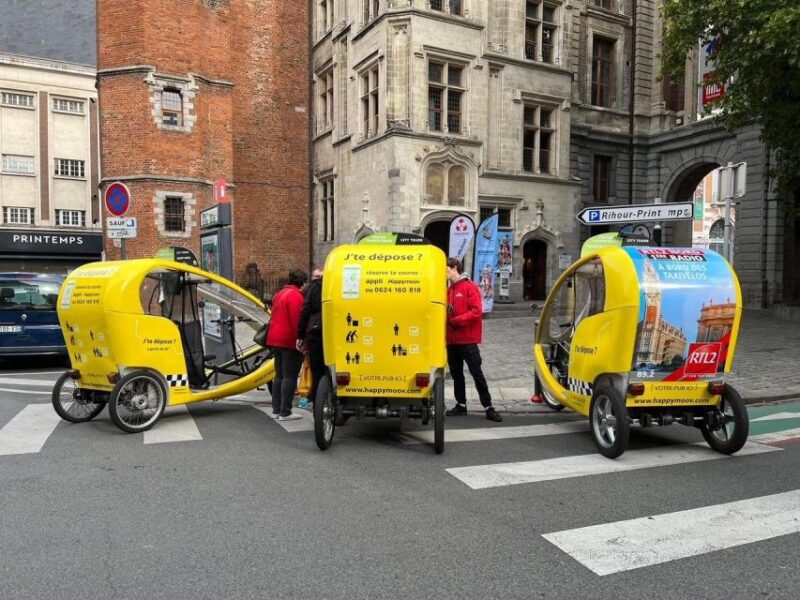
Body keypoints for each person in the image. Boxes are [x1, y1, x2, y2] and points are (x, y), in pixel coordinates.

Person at [445, 257, 502, 422]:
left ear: (455, 268)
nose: (444, 272)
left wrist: (456, 321)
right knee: (456, 375)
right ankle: (461, 405)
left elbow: (477, 311)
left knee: (477, 374)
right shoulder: (448, 290)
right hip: (452, 341)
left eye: (446, 269)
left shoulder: (470, 287)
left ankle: (489, 407)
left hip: (468, 341)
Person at [266, 269, 308, 421]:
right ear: (302, 283)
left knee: (280, 375)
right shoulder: (296, 296)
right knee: (290, 377)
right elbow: (298, 321)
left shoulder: (279, 294)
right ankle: (286, 411)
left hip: (274, 338)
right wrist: (302, 339)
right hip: (289, 340)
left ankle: (276, 409)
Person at [296, 267, 324, 409]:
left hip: (315, 331)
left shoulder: (312, 289)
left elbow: (305, 310)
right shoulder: (334, 285)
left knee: (317, 369)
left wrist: (300, 335)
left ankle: (317, 402)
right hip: (330, 330)